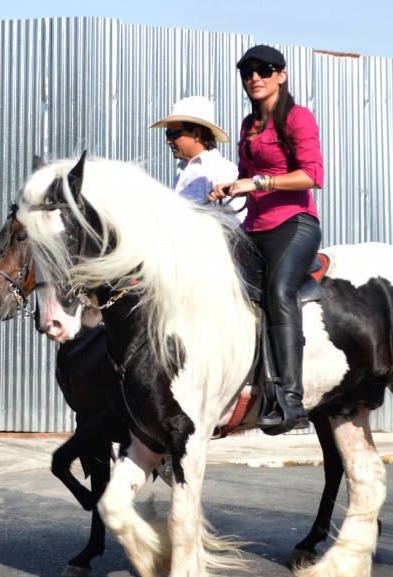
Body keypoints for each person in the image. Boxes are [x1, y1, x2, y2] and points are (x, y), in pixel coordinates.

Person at [209, 44, 324, 434]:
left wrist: (258, 182)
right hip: (253, 228)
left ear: (282, 75)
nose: (255, 77)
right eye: (247, 72)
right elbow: (246, 175)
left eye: (265, 69)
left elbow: (312, 175)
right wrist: (231, 188)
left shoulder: (297, 117)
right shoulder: (247, 124)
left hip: (293, 224)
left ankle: (290, 400)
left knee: (277, 291)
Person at [149, 95, 244, 222]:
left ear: (197, 134)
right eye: (168, 134)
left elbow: (235, 225)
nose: (168, 141)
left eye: (173, 134)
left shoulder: (222, 170)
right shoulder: (184, 170)